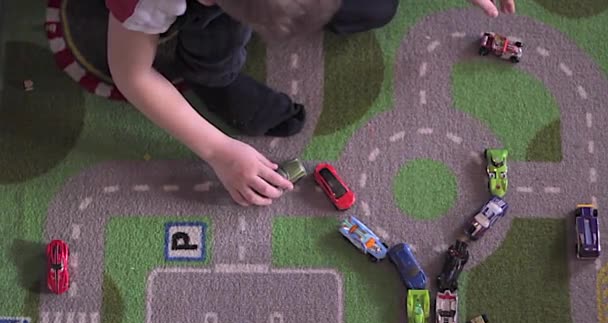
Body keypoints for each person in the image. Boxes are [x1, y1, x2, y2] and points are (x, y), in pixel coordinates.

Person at [105, 0, 516, 207]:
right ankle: (212, 76)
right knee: (218, 39)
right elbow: (131, 72)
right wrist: (219, 150)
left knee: (376, 8)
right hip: (199, 13)